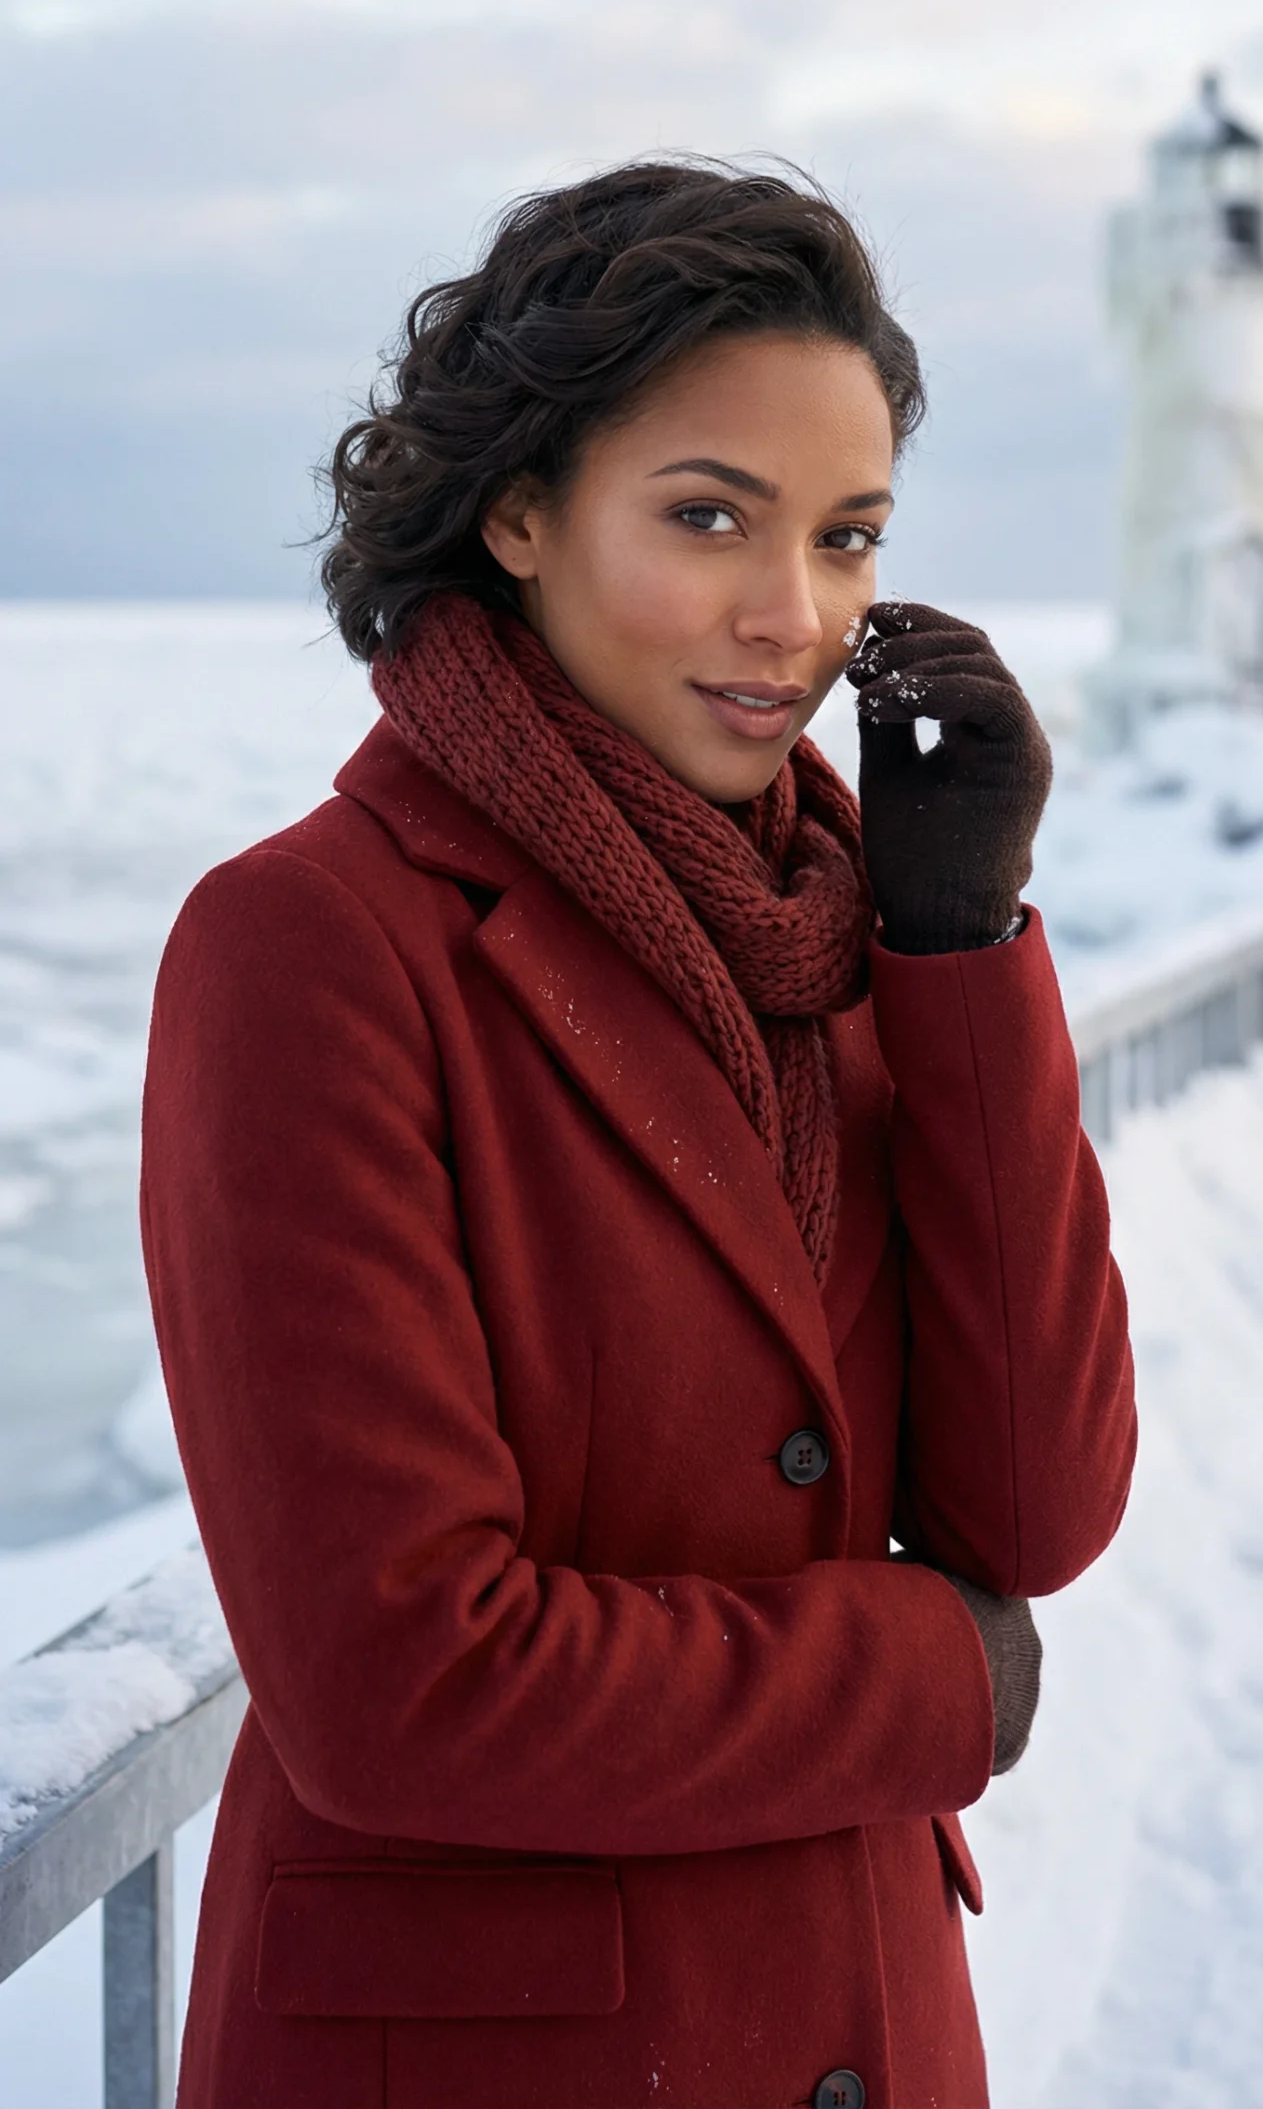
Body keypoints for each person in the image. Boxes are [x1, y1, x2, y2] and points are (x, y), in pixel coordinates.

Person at [140, 159, 1136, 2109]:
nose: (796, 617)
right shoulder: (308, 948)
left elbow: (1036, 1504)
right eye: (710, 518)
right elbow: (401, 1680)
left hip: (864, 2008)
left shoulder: (838, 930)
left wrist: (960, 948)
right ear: (517, 508)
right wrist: (930, 1676)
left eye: (849, 538)